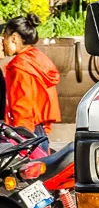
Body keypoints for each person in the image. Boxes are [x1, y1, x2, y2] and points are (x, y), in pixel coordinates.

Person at [2, 14, 61, 152]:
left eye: (4, 37)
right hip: (40, 132)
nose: (3, 43)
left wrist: (21, 145)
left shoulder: (20, 66)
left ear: (14, 38)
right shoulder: (38, 59)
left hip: (26, 134)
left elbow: (22, 107)